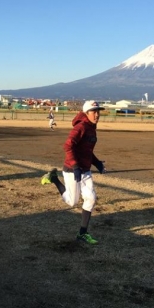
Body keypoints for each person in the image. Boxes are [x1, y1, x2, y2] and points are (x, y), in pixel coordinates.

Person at [41, 100, 106, 244]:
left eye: (98, 111)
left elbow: (87, 151)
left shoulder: (92, 127)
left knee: (91, 198)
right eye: (94, 112)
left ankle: (82, 233)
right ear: (86, 113)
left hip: (85, 170)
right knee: (72, 202)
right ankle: (54, 179)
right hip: (72, 169)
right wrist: (75, 166)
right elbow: (68, 146)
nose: (97, 115)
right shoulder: (81, 127)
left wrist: (97, 163)